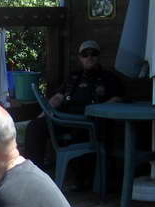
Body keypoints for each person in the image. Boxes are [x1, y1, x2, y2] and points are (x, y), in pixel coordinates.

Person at [23, 40, 123, 176]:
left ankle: (82, 180)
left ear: (99, 56)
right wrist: (43, 114)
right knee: (34, 126)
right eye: (85, 54)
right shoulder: (73, 77)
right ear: (80, 57)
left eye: (93, 54)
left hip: (91, 122)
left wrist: (98, 110)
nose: (89, 57)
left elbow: (117, 99)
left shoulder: (108, 78)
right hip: (65, 119)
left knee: (84, 137)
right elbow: (58, 98)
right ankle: (33, 174)